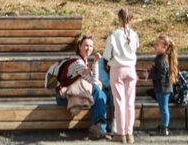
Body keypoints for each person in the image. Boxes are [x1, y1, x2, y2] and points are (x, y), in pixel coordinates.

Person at [53, 35, 109, 141]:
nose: (89, 48)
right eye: (86, 45)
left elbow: (93, 81)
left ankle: (100, 126)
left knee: (105, 95)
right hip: (64, 98)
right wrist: (96, 63)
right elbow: (94, 82)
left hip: (76, 95)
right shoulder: (77, 63)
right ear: (79, 46)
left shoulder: (85, 63)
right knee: (99, 93)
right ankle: (100, 126)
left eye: (91, 46)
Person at [103, 8, 140, 144]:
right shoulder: (134, 35)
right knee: (130, 102)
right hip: (131, 69)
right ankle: (129, 133)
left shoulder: (114, 35)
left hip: (117, 69)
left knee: (119, 102)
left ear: (119, 18)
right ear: (131, 19)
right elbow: (135, 48)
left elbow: (107, 54)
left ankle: (120, 133)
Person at [148, 35, 178, 136]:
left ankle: (165, 127)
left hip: (163, 88)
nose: (155, 46)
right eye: (154, 44)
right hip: (162, 88)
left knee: (164, 108)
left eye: (157, 44)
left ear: (164, 47)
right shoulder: (161, 58)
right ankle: (163, 125)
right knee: (162, 108)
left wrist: (150, 73)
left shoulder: (161, 60)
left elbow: (161, 75)